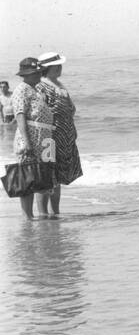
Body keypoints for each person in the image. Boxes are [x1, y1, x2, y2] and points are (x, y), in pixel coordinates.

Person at [35, 52, 82, 217]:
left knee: (58, 177)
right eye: (57, 65)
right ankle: (42, 214)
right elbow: (40, 112)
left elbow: (71, 109)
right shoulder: (41, 86)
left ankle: (55, 213)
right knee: (47, 177)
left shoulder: (59, 84)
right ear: (49, 68)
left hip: (64, 137)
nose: (60, 68)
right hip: (49, 138)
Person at [10, 57, 54, 219]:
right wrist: (27, 142)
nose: (39, 75)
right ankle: (28, 217)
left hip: (44, 139)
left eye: (39, 72)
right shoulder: (21, 89)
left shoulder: (36, 89)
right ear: (26, 74)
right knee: (28, 179)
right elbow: (20, 116)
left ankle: (43, 214)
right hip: (30, 139)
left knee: (44, 177)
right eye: (36, 72)